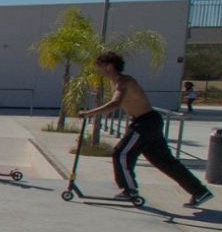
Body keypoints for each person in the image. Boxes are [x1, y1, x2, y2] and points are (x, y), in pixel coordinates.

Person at [81, 51, 212, 208]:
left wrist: (89, 113)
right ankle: (200, 191)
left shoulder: (124, 81)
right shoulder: (115, 82)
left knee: (121, 153)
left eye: (100, 66)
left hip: (145, 123)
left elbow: (116, 103)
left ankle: (129, 190)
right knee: (163, 161)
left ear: (109, 66)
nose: (98, 69)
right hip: (147, 122)